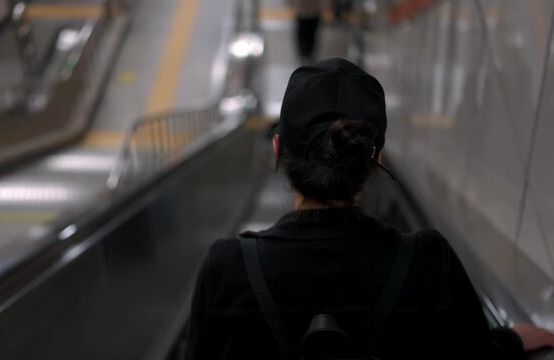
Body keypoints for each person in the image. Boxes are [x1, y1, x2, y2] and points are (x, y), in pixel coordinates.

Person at [185, 58, 554, 359]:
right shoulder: (429, 263)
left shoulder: (228, 268)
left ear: (279, 150)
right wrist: (510, 342)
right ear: (376, 158)